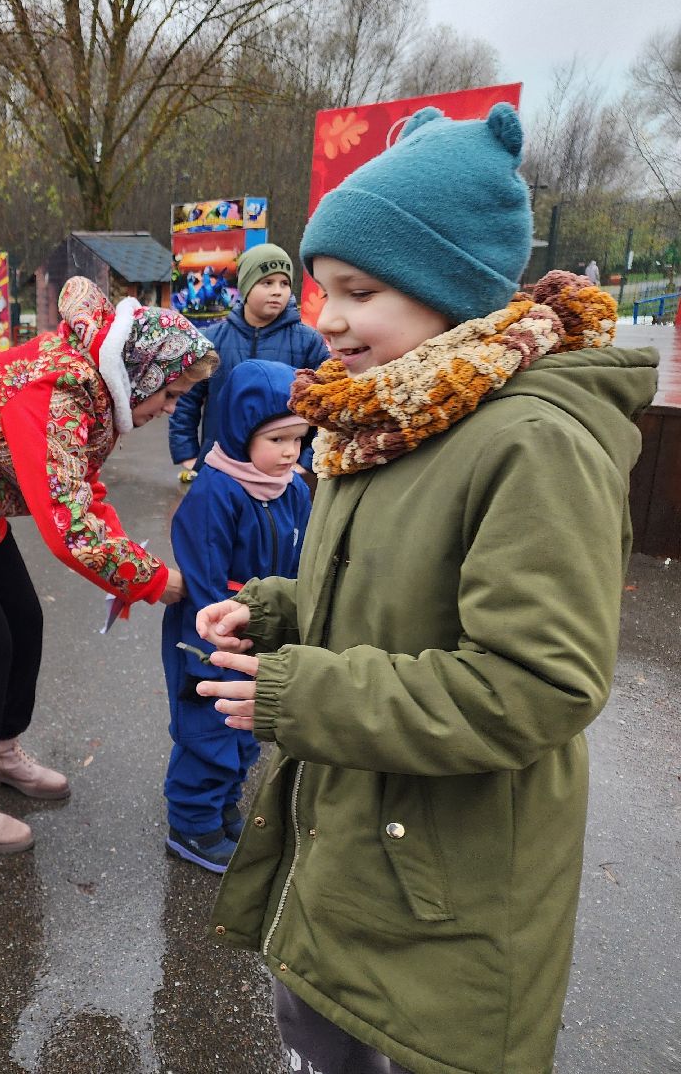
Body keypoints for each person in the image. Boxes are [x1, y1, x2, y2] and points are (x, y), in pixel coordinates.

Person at [196, 105, 658, 1074]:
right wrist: (279, 614)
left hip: (453, 888)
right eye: (322, 289)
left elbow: (537, 684)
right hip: (360, 849)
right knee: (321, 1033)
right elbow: (393, 589)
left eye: (358, 290)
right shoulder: (390, 413)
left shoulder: (531, 444)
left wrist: (305, 694)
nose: (325, 318)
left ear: (449, 285)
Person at [0, 276, 217, 854]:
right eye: (170, 395)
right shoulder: (59, 390)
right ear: (142, 372)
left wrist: (133, 564)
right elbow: (68, 527)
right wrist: (152, 582)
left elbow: (82, 488)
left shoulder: (97, 386)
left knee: (23, 621)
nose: (168, 410)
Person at [160, 359, 310, 872]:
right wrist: (221, 637)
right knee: (207, 731)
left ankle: (222, 810)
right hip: (210, 635)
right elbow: (203, 576)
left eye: (299, 438)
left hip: (262, 634)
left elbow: (301, 560)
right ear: (243, 429)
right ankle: (191, 825)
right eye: (277, 439)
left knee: (246, 727)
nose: (291, 451)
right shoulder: (216, 489)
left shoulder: (295, 488)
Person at [168, 244, 328, 479]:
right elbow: (186, 399)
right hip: (219, 465)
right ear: (245, 286)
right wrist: (189, 454)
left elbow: (324, 404)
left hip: (283, 471)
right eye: (267, 283)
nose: (278, 291)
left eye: (284, 284)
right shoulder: (212, 339)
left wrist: (306, 461)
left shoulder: (308, 341)